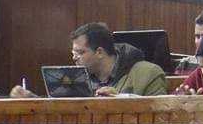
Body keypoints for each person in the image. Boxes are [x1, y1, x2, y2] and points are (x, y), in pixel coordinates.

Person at [10, 23, 167, 98]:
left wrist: (120, 101)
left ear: (99, 52)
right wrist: (32, 100)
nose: (74, 58)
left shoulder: (148, 74)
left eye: (80, 52)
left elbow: (161, 116)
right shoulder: (76, 79)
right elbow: (62, 114)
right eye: (73, 53)